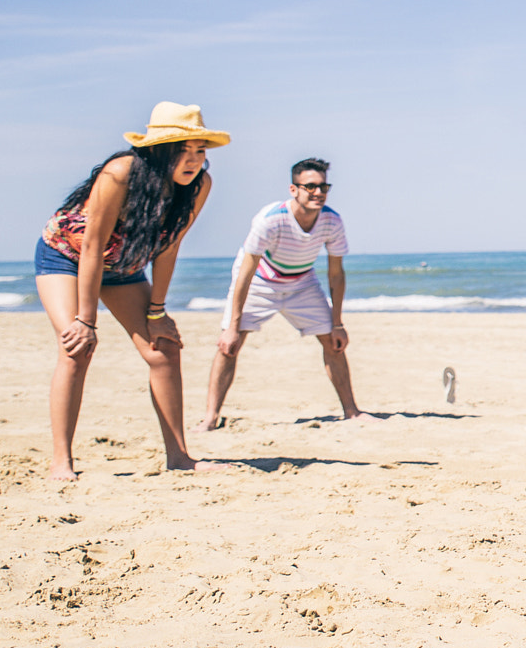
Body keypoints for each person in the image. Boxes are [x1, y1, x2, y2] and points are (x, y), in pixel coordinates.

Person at [32, 102, 229, 481]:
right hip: (68, 257)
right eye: (182, 150)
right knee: (76, 345)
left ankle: (180, 457)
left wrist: (157, 311)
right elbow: (92, 245)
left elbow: (170, 246)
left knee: (165, 349)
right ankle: (62, 461)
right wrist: (85, 320)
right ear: (157, 150)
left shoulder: (200, 184)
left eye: (199, 151)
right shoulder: (120, 173)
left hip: (124, 265)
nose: (193, 161)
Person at [201, 158, 370, 429]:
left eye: (324, 186)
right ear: (294, 189)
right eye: (311, 186)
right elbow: (245, 272)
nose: (319, 192)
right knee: (229, 346)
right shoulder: (271, 220)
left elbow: (336, 274)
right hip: (260, 281)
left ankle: (352, 411)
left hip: (301, 282)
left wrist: (337, 323)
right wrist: (232, 326)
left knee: (334, 343)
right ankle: (210, 417)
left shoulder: (331, 221)